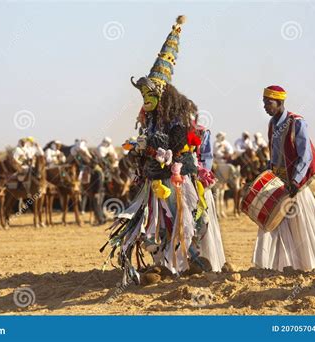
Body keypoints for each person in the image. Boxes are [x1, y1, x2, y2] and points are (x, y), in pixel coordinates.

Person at [101, 16, 226, 285]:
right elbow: (151, 144)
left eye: (149, 95)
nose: (145, 100)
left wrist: (163, 153)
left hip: (178, 179)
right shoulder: (150, 119)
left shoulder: (177, 118)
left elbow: (178, 146)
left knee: (183, 218)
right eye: (142, 96)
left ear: (161, 94)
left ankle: (187, 260)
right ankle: (165, 263)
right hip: (155, 178)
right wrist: (139, 149)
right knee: (158, 223)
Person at [252, 85, 315, 273]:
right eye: (264, 103)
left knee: (304, 224)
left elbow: (306, 156)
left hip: (295, 184)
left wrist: (295, 181)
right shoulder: (272, 125)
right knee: (275, 223)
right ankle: (283, 265)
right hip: (278, 183)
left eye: (268, 103)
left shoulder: (297, 123)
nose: (264, 107)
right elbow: (275, 156)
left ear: (279, 102)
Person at [89, 156, 106, 226]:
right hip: (99, 191)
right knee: (99, 206)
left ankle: (100, 221)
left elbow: (99, 183)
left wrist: (96, 192)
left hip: (98, 192)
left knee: (97, 206)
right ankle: (102, 219)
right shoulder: (99, 170)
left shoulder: (97, 172)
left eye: (92, 164)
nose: (91, 165)